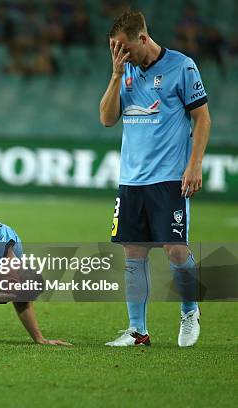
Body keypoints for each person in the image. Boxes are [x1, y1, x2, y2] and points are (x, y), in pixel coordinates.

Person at [99, 10, 211, 347]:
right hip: (132, 180)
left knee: (176, 250)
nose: (119, 54)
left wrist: (195, 165)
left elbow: (202, 119)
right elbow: (106, 119)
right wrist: (116, 74)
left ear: (142, 39)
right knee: (133, 253)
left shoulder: (182, 67)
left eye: (123, 48)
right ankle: (137, 331)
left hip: (169, 179)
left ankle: (190, 311)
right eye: (113, 49)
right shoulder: (125, 70)